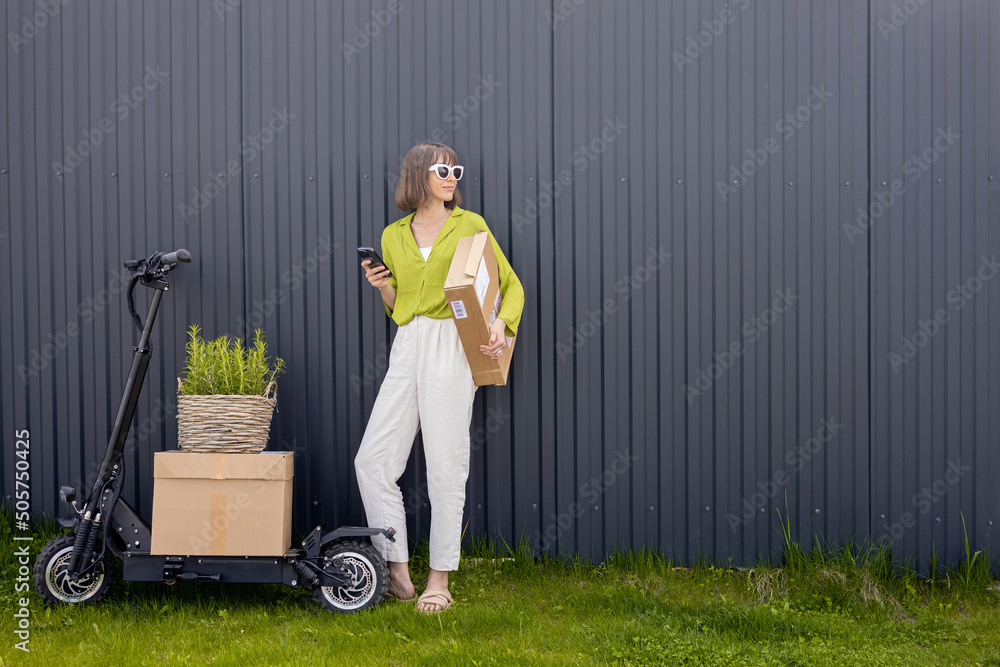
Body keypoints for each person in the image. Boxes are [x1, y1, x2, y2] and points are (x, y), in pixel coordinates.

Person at [355, 142, 524, 613]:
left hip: (453, 343)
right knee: (372, 461)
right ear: (418, 175)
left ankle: (440, 580)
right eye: (443, 169)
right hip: (408, 344)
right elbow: (400, 306)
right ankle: (398, 574)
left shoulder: (469, 225)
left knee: (446, 466)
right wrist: (384, 287)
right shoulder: (393, 235)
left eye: (456, 170)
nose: (453, 177)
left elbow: (509, 286)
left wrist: (498, 324)